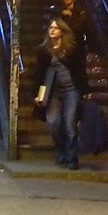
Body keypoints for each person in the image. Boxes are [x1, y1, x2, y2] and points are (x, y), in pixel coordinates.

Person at [32, 17, 89, 170]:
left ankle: (72, 158)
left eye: (55, 28)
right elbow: (39, 74)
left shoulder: (71, 49)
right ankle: (60, 149)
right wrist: (37, 94)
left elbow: (80, 70)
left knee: (70, 125)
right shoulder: (44, 51)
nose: (52, 30)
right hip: (53, 92)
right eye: (50, 27)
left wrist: (84, 90)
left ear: (62, 31)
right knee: (53, 122)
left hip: (71, 90)